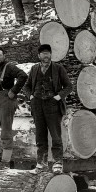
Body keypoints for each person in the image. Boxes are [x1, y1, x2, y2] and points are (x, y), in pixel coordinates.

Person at [22, 44, 72, 173]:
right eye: (43, 53)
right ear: (39, 56)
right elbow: (26, 86)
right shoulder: (34, 69)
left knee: (55, 135)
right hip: (38, 105)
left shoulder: (58, 68)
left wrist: (58, 97)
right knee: (40, 136)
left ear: (51, 55)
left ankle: (57, 163)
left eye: (47, 53)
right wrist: (31, 96)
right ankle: (41, 163)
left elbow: (68, 86)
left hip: (53, 105)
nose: (46, 56)